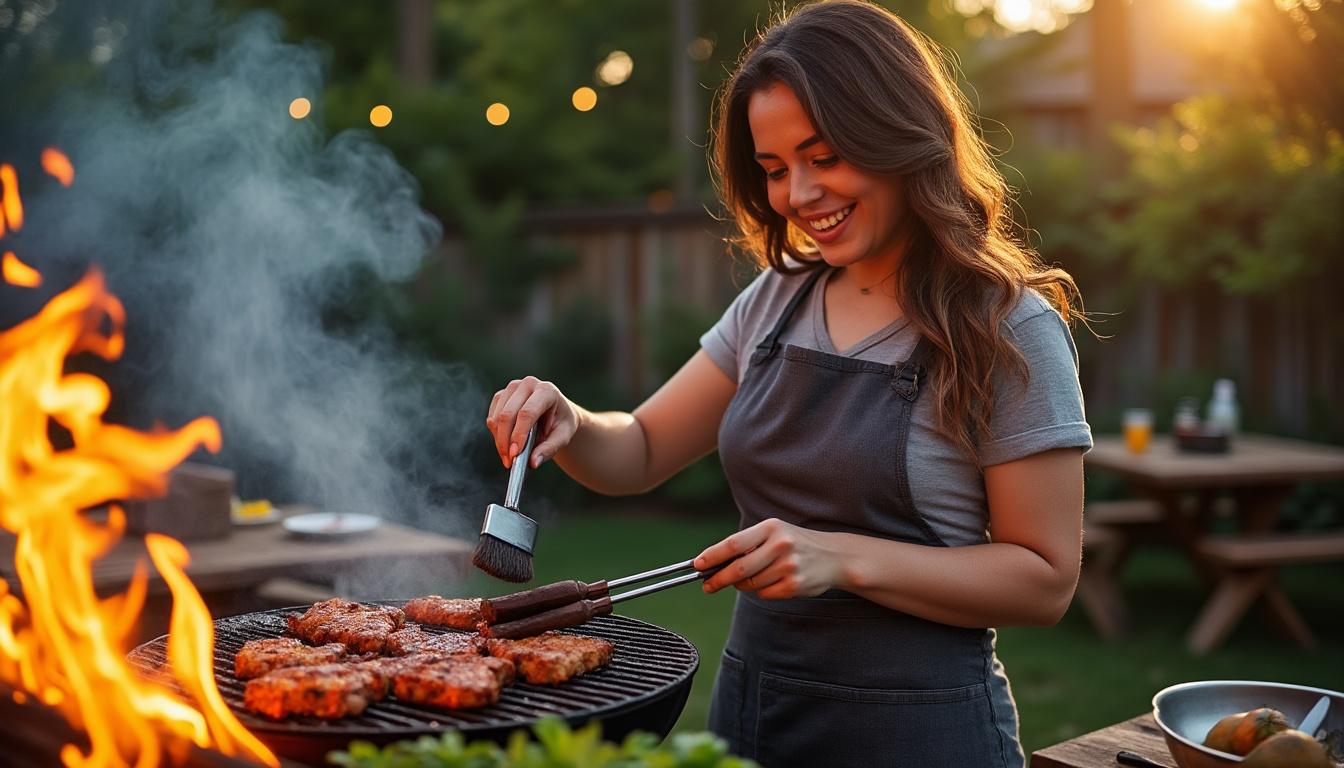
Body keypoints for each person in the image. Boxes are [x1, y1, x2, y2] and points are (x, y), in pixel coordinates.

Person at [484, 1, 1091, 765]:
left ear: (897, 134)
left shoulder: (1008, 326)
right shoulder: (777, 298)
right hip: (757, 718)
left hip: (924, 733)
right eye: (774, 170)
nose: (799, 195)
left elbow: (1044, 580)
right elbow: (638, 450)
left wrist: (839, 558)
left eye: (824, 155)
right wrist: (568, 419)